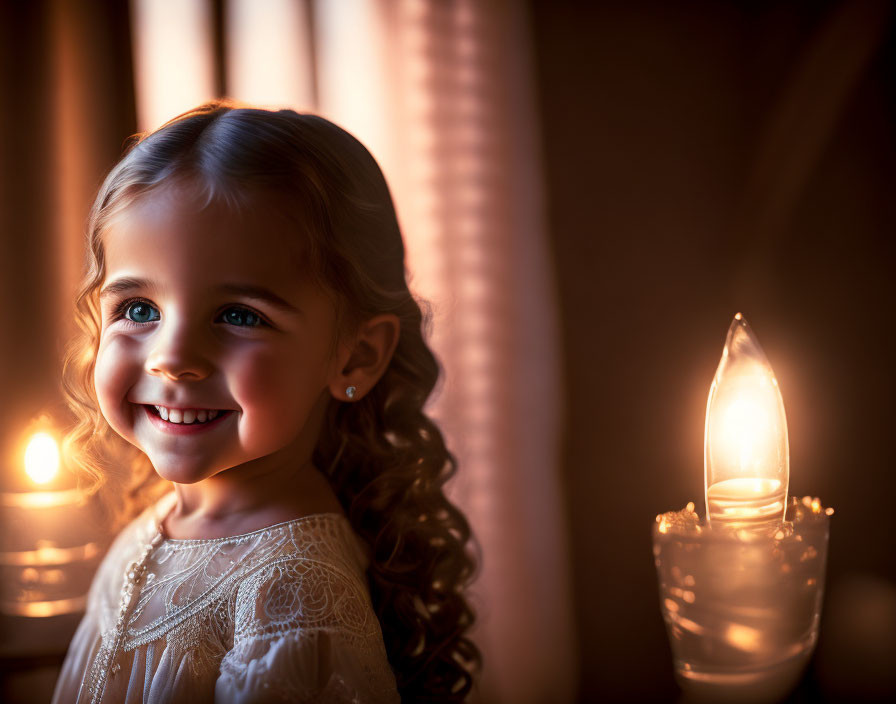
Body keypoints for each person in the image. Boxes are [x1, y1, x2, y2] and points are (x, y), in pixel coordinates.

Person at [52, 101, 480, 703]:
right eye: (139, 309)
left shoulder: (289, 592)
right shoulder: (156, 530)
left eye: (238, 315)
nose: (171, 358)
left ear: (354, 356)